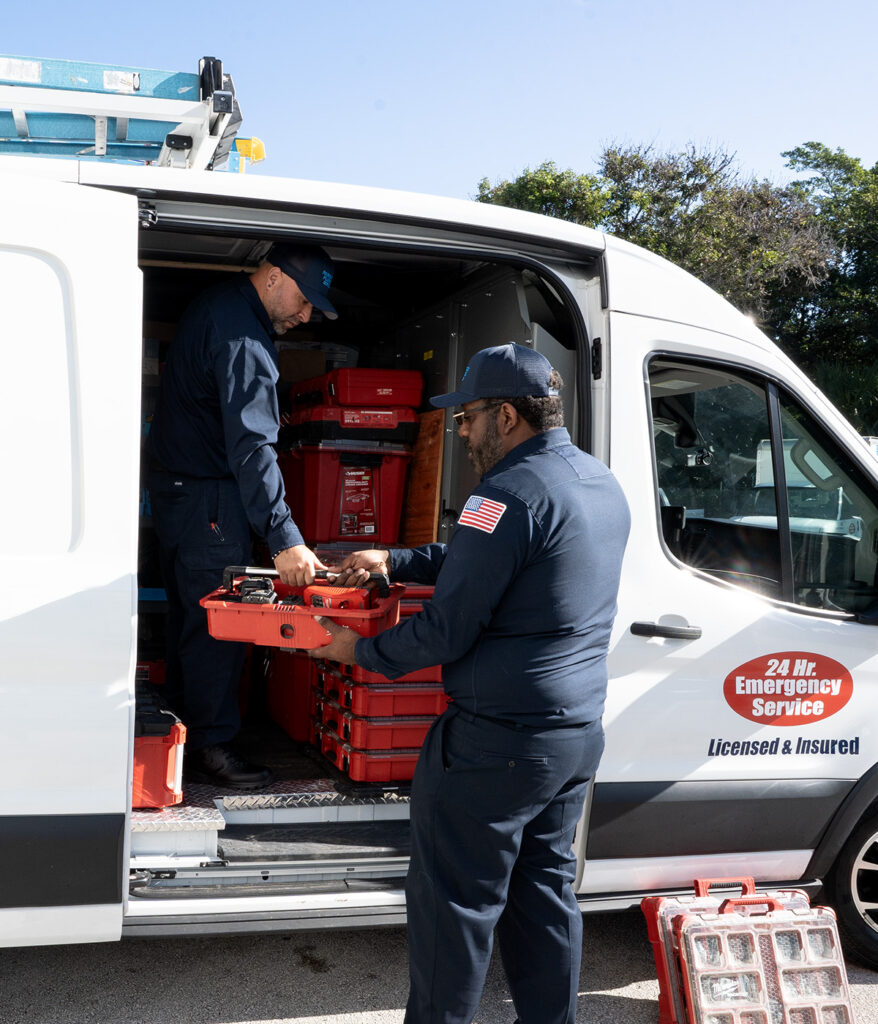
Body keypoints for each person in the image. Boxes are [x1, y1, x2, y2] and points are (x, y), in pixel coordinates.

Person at [313, 342, 630, 1024]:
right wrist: (394, 559)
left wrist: (355, 649)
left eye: (467, 416)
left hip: (495, 747)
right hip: (572, 738)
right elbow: (488, 559)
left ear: (507, 417)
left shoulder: (505, 494)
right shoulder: (600, 482)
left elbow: (446, 629)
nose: (459, 430)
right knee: (544, 895)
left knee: (452, 908)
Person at [147, 243, 337, 789]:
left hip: (180, 492)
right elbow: (253, 447)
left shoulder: (219, 305)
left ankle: (183, 732)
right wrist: (285, 537)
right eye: (304, 300)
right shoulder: (243, 337)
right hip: (208, 499)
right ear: (273, 276)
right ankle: (210, 745)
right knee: (217, 622)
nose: (305, 315)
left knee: (190, 617)